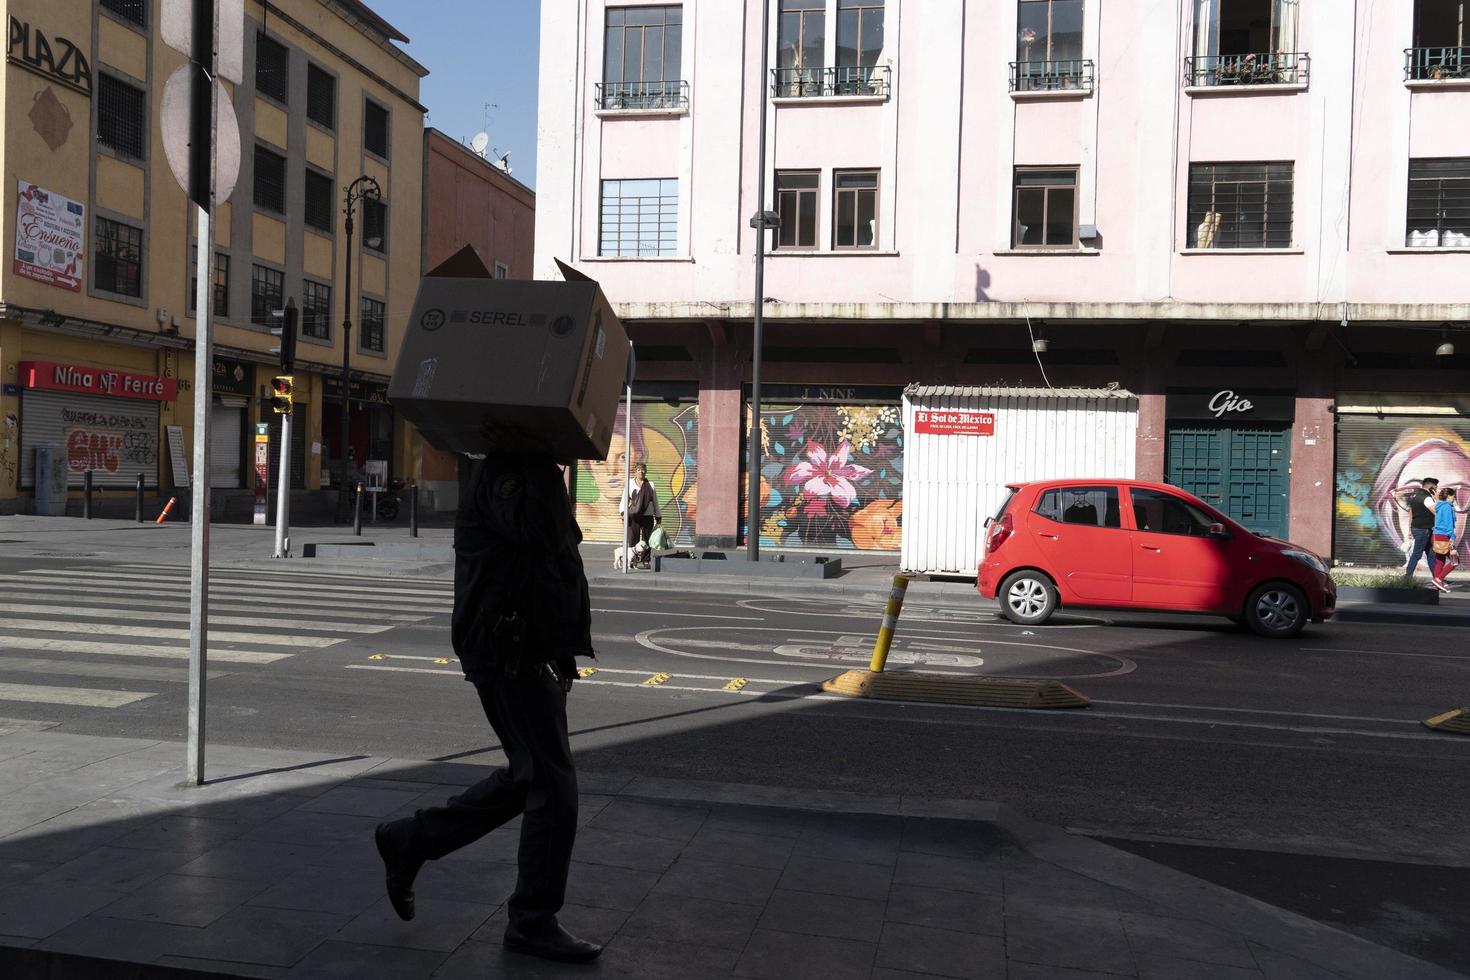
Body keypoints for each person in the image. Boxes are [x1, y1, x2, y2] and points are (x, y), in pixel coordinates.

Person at [373, 450, 601, 964]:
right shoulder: (513, 473)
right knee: (552, 786)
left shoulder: (528, 472)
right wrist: (544, 465)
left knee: (531, 776)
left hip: (526, 647)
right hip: (506, 649)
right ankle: (532, 921)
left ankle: (410, 839)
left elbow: (542, 566)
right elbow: (540, 536)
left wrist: (560, 649)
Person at [1391, 476, 1439, 576]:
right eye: (1435, 487)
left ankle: (1437, 578)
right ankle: (1408, 577)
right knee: (1417, 554)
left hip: (1419, 529)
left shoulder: (1415, 497)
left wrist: (1410, 529)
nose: (1436, 489)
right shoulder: (1427, 498)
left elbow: (1411, 515)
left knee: (1430, 555)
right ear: (1431, 487)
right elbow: (1437, 512)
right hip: (1424, 530)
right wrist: (1436, 499)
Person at [619, 462, 662, 569]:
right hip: (633, 515)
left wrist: (658, 515)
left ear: (646, 471)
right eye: (639, 470)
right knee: (633, 538)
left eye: (643, 470)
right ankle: (633, 560)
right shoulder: (629, 483)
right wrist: (623, 512)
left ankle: (646, 560)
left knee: (647, 539)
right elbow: (625, 499)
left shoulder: (650, 485)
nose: (641, 472)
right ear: (635, 471)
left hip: (648, 515)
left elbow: (655, 501)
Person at [1430, 487, 1459, 593]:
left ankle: (1436, 586)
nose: (1454, 498)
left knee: (1440, 561)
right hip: (1445, 536)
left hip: (1437, 536)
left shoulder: (1440, 506)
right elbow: (1448, 525)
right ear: (1448, 496)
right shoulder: (1447, 507)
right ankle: (1438, 579)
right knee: (1455, 561)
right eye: (1453, 496)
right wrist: (1452, 538)